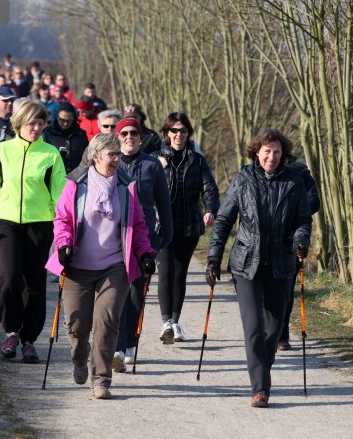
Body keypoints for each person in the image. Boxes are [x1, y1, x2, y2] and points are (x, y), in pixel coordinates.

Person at [206, 129, 312, 408]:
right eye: (267, 151)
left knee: (274, 329)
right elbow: (223, 221)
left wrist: (301, 240)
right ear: (257, 152)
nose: (272, 157)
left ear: (283, 155)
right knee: (253, 328)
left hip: (281, 265)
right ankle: (260, 388)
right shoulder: (243, 180)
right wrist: (214, 258)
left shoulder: (294, 181)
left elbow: (303, 219)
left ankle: (262, 368)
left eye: (277, 152)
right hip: (246, 266)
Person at [46, 133, 156, 399]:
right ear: (96, 157)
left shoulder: (126, 187)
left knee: (107, 322)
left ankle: (101, 380)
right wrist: (63, 244)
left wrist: (145, 253)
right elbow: (61, 219)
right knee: (77, 326)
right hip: (77, 266)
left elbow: (138, 226)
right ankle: (78, 357)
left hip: (114, 266)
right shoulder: (75, 184)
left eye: (119, 154)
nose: (118, 159)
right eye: (112, 154)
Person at [0, 99, 67, 362]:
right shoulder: (3, 151)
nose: (37, 128)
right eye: (32, 123)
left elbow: (60, 195)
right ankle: (10, 331)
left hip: (40, 224)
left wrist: (62, 230)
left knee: (35, 284)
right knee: (10, 279)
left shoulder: (51, 155)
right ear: (19, 123)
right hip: (6, 223)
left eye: (41, 123)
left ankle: (28, 339)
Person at [151, 112, 219, 344]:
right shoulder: (154, 158)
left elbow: (209, 187)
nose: (178, 135)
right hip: (163, 226)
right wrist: (156, 169)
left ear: (188, 133)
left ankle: (176, 322)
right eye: (174, 130)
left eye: (183, 131)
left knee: (180, 274)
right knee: (165, 273)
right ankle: (165, 322)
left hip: (189, 225)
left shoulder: (197, 160)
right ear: (166, 133)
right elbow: (142, 190)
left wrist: (210, 209)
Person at [111, 118, 173, 372]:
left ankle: (130, 346)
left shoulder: (152, 166)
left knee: (136, 295)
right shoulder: (110, 164)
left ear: (140, 136)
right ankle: (117, 346)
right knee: (115, 293)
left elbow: (163, 204)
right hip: (114, 239)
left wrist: (162, 238)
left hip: (143, 241)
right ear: (117, 137)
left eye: (134, 133)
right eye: (124, 133)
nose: (129, 137)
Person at [278, 155, 320, 351]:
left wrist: (294, 212)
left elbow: (314, 201)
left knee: (286, 290)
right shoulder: (256, 172)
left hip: (292, 240)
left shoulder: (300, 172)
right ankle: (265, 330)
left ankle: (282, 335)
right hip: (261, 243)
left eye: (277, 152)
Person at [43, 103, 89, 174]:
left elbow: (87, 157)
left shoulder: (81, 134)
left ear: (74, 118)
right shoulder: (47, 133)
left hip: (76, 175)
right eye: (61, 120)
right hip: (54, 175)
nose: (65, 123)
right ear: (57, 117)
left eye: (69, 120)